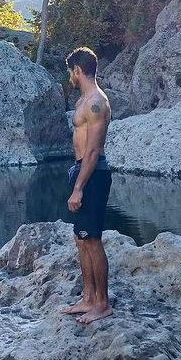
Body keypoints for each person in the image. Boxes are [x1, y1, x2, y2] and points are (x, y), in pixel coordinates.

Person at [60, 47, 114, 324]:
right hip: (80, 171)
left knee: (92, 240)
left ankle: (102, 304)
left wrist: (79, 187)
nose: (70, 76)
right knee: (81, 239)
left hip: (92, 174)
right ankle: (89, 298)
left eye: (70, 71)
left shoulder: (96, 102)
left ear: (77, 70)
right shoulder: (84, 100)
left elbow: (93, 151)